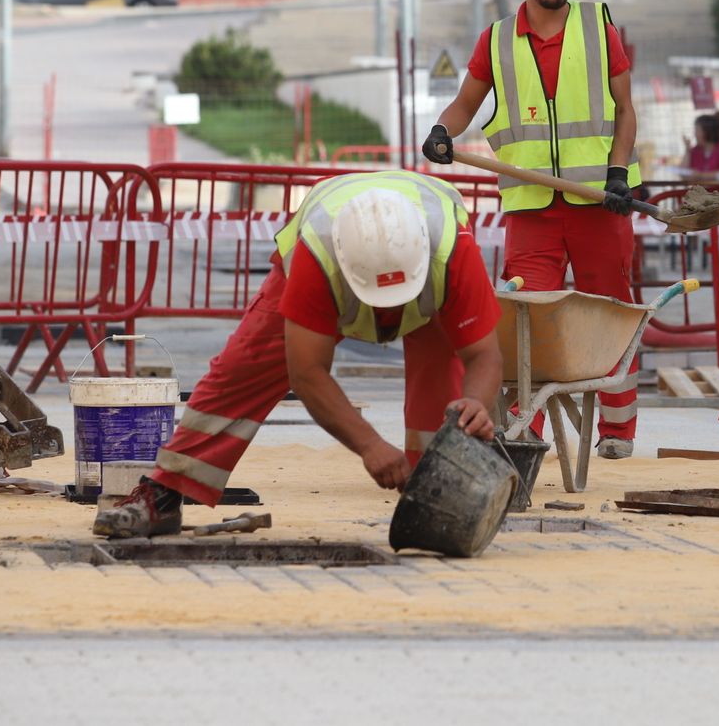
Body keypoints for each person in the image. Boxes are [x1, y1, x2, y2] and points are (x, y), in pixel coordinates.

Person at [93, 172, 503, 538]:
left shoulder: (452, 252)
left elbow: (483, 355)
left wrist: (476, 405)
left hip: (429, 280)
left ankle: (444, 496)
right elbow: (306, 373)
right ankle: (166, 493)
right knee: (243, 368)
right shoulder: (318, 255)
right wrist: (369, 445)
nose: (385, 312)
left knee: (446, 391)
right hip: (330, 265)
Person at [424, 0, 642, 459]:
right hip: (533, 213)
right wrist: (441, 132)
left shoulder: (599, 29)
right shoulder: (496, 41)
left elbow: (625, 111)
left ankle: (617, 433)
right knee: (525, 322)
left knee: (612, 316)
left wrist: (618, 171)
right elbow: (465, 106)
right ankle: (526, 434)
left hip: (601, 205)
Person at [681, 112, 719, 181]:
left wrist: (700, 175)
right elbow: (683, 175)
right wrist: (687, 151)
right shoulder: (695, 150)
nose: (694, 134)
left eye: (697, 130)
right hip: (699, 191)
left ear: (707, 132)